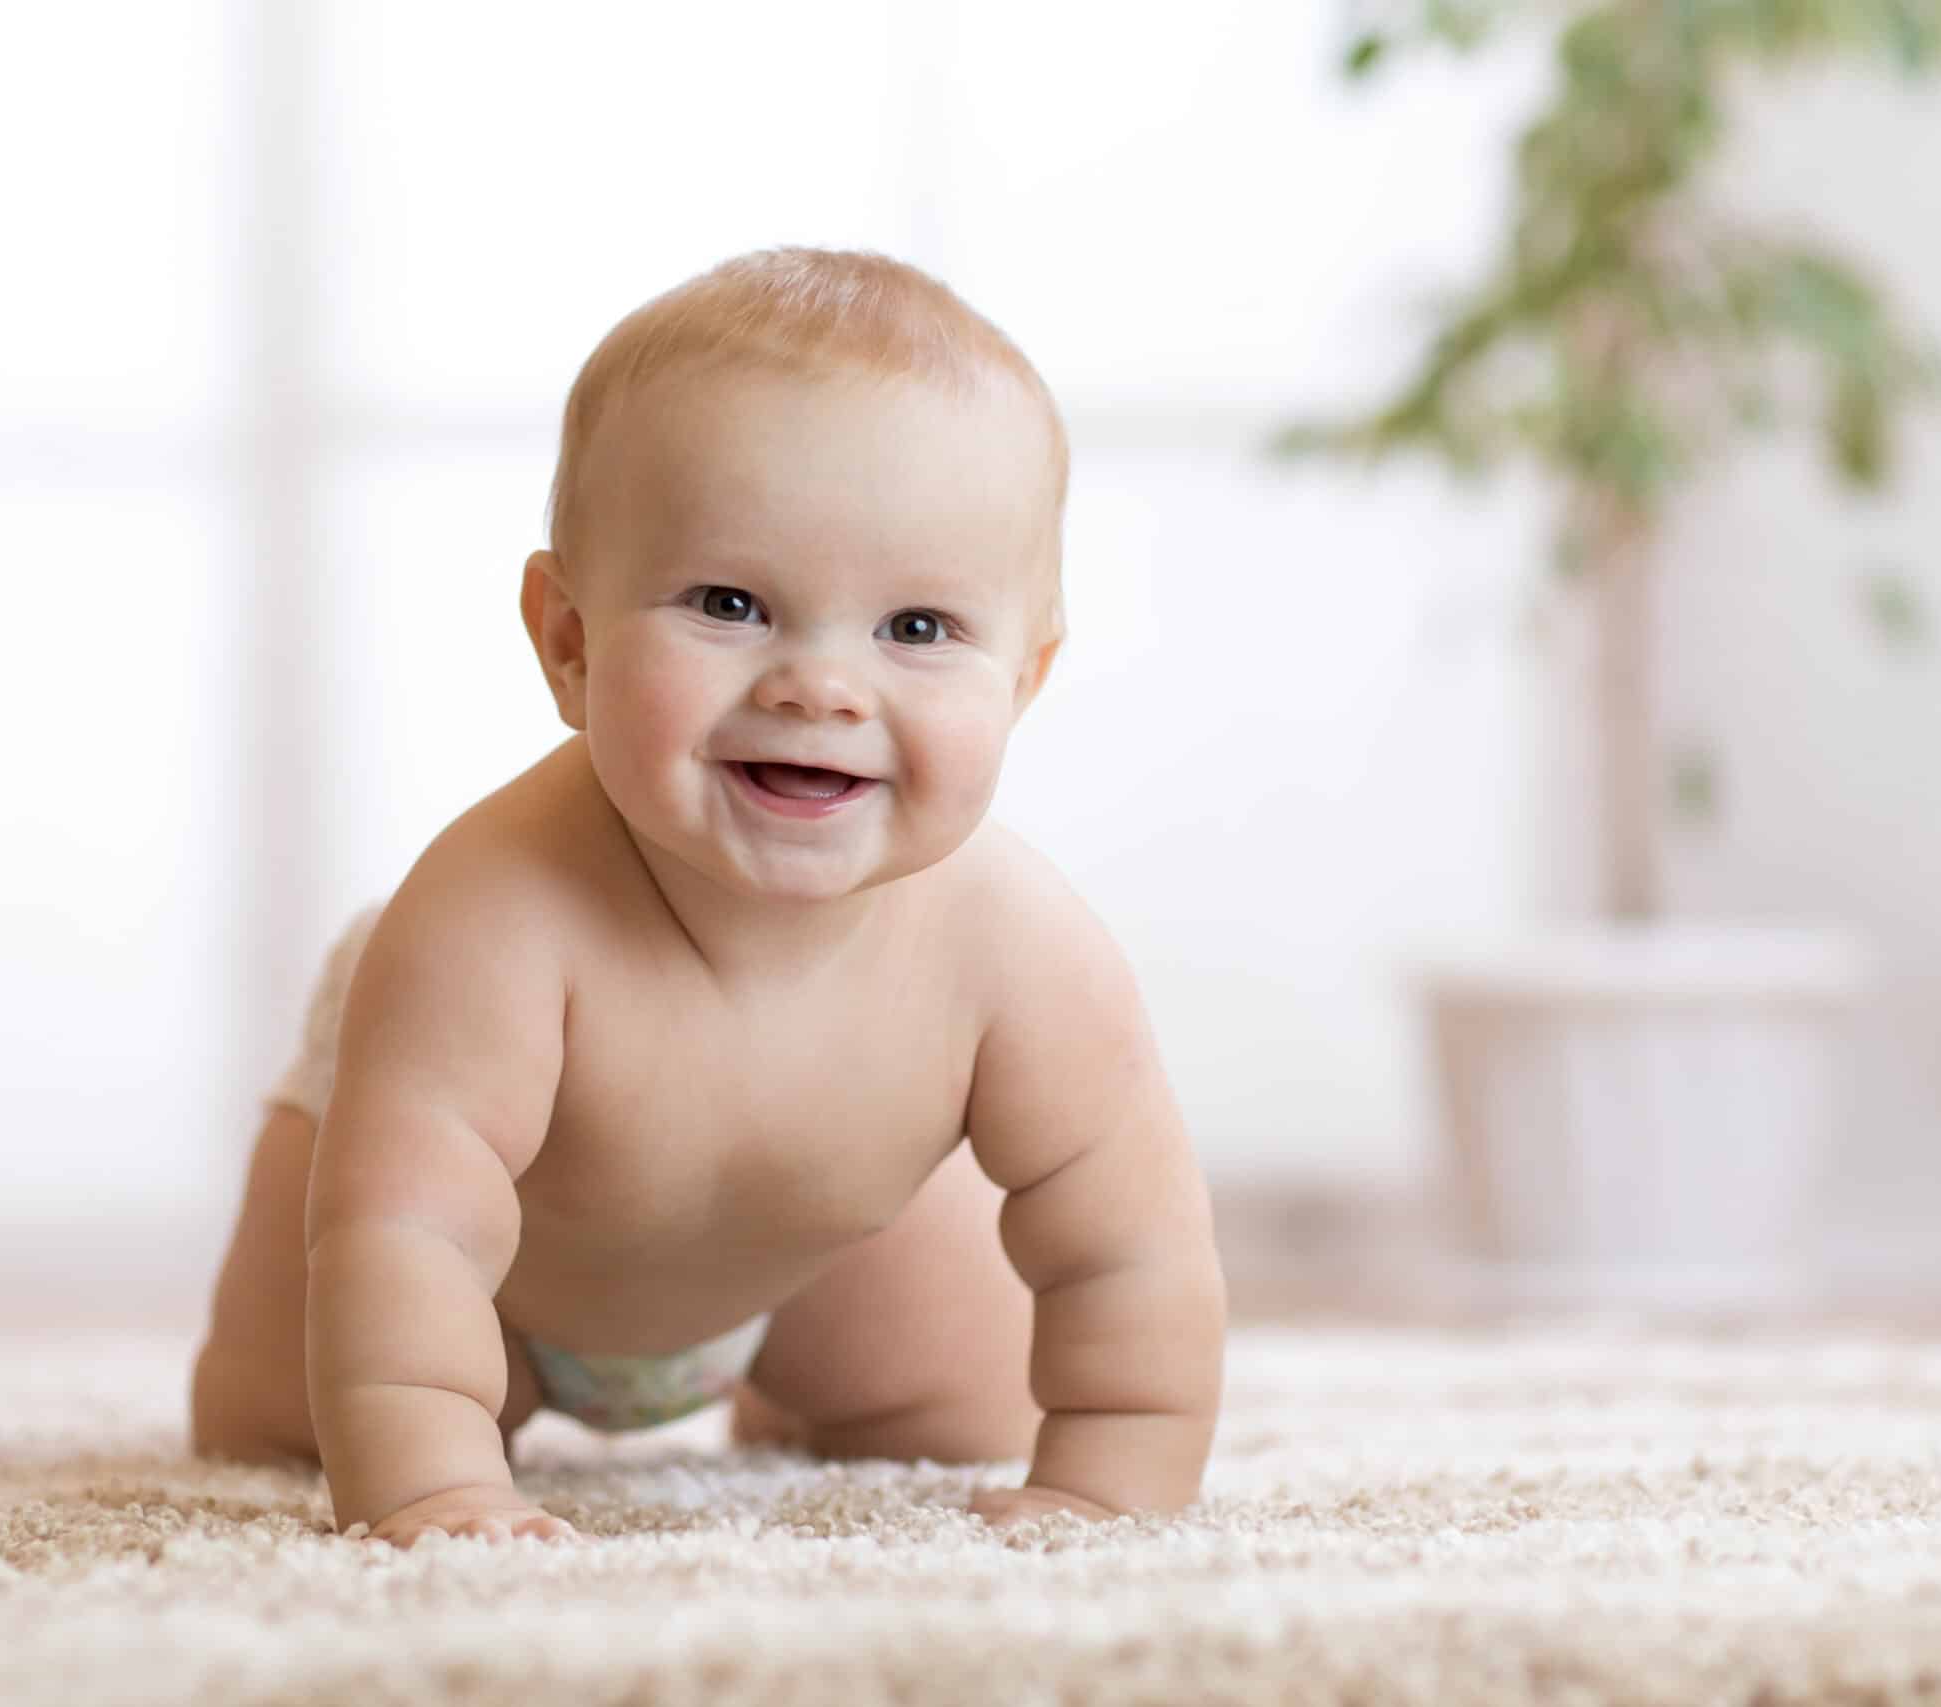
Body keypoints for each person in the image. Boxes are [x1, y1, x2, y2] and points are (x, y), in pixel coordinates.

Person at [188, 246, 1227, 1546]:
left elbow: (1128, 1246)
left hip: (807, 1260)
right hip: (480, 1271)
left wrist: (1115, 1476)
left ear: (1025, 677)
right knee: (279, 1419)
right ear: (569, 642)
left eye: (916, 629)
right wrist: (434, 1487)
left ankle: (793, 1388)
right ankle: (446, 1418)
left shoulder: (1018, 949)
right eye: (732, 604)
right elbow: (413, 1229)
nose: (822, 686)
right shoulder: (493, 916)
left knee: (966, 1396)